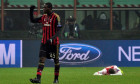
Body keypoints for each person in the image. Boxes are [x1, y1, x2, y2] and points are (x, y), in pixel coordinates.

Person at [29, 2, 62, 84]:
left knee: (56, 61)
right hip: (44, 42)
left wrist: (51, 39)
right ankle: (38, 78)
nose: (43, 9)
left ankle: (56, 79)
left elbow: (58, 32)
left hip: (54, 43)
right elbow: (33, 20)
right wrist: (31, 10)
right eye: (43, 7)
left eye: (45, 7)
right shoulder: (43, 17)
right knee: (41, 59)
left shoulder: (56, 17)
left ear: (50, 8)